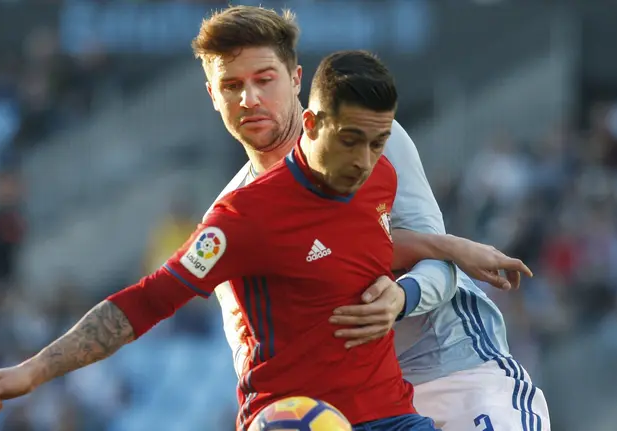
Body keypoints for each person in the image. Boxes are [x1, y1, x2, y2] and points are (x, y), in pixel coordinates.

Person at [0, 50, 437, 431]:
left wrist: (453, 251)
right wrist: (35, 370)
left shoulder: (382, 180)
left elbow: (363, 250)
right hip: (290, 417)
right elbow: (147, 300)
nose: (366, 159)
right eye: (351, 140)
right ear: (311, 126)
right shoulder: (243, 216)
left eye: (377, 143)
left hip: (392, 415)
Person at [192, 5, 550, 430]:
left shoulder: (366, 137)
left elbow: (441, 263)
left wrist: (403, 297)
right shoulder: (228, 216)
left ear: (294, 80)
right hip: (355, 410)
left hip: (454, 367)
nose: (250, 99)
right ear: (214, 95)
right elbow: (252, 357)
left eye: (264, 80)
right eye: (233, 85)